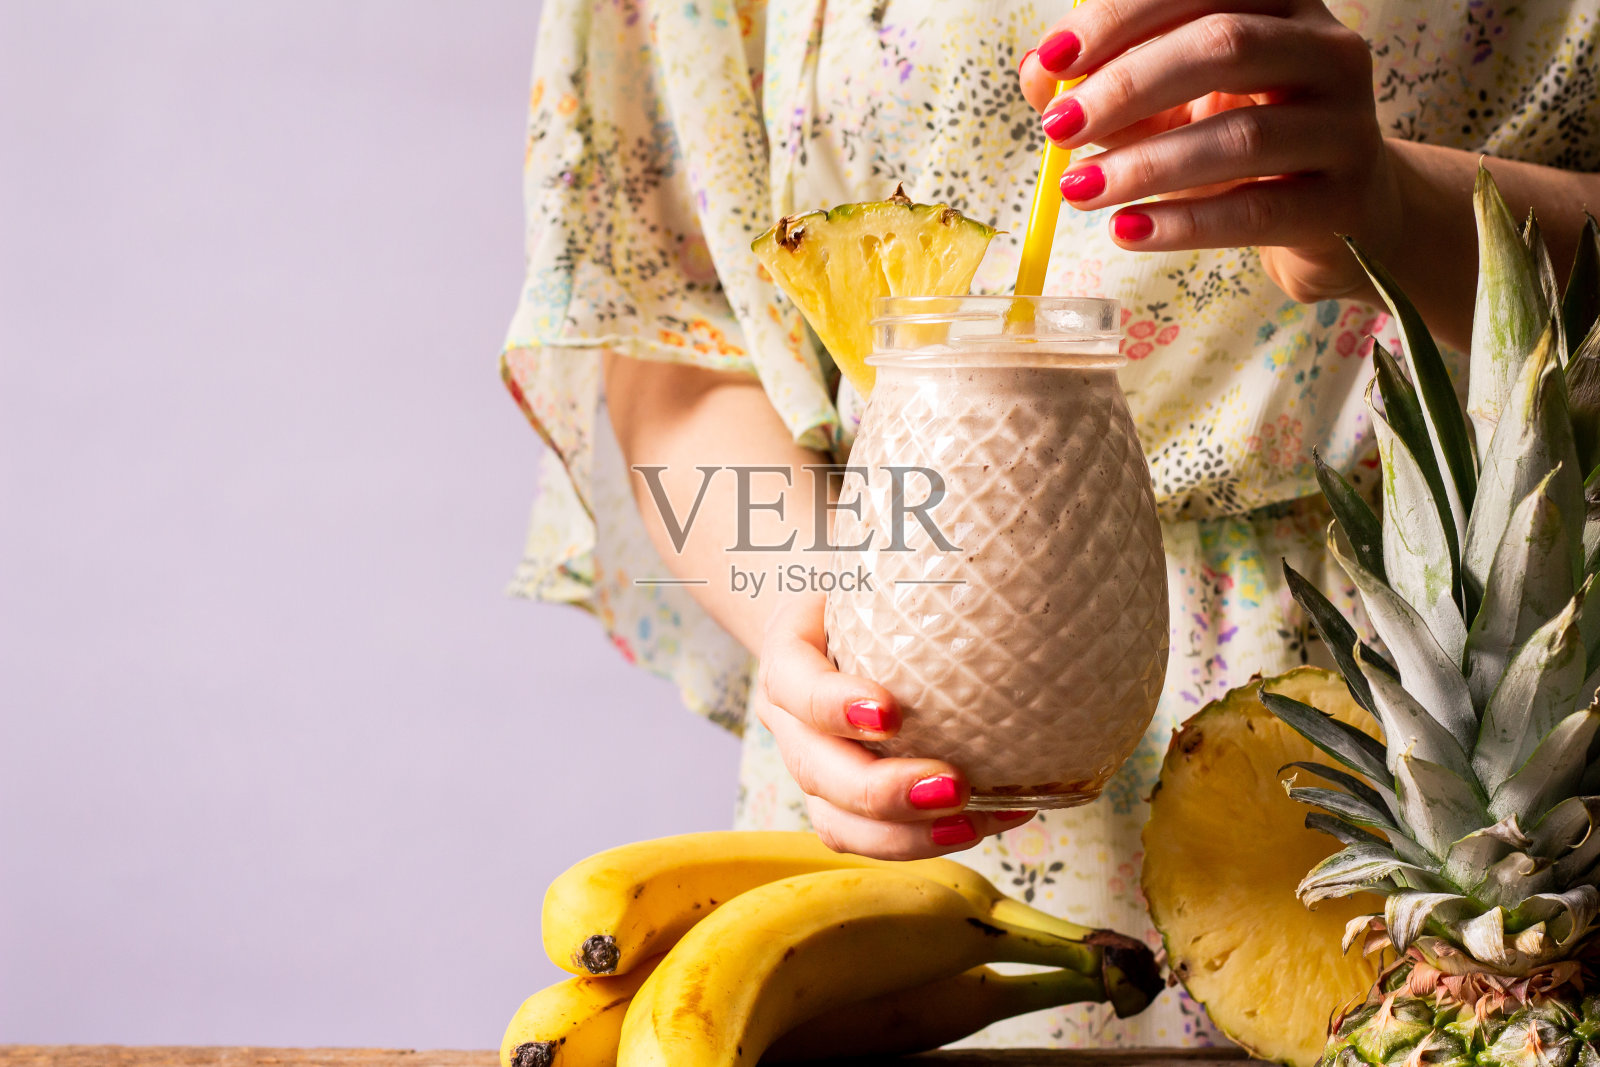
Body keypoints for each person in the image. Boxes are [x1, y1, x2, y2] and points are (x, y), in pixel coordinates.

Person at [500, 0, 1600, 1048]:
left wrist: (1396, 208)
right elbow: (673, 334)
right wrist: (828, 629)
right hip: (928, 807)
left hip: (1492, 773)